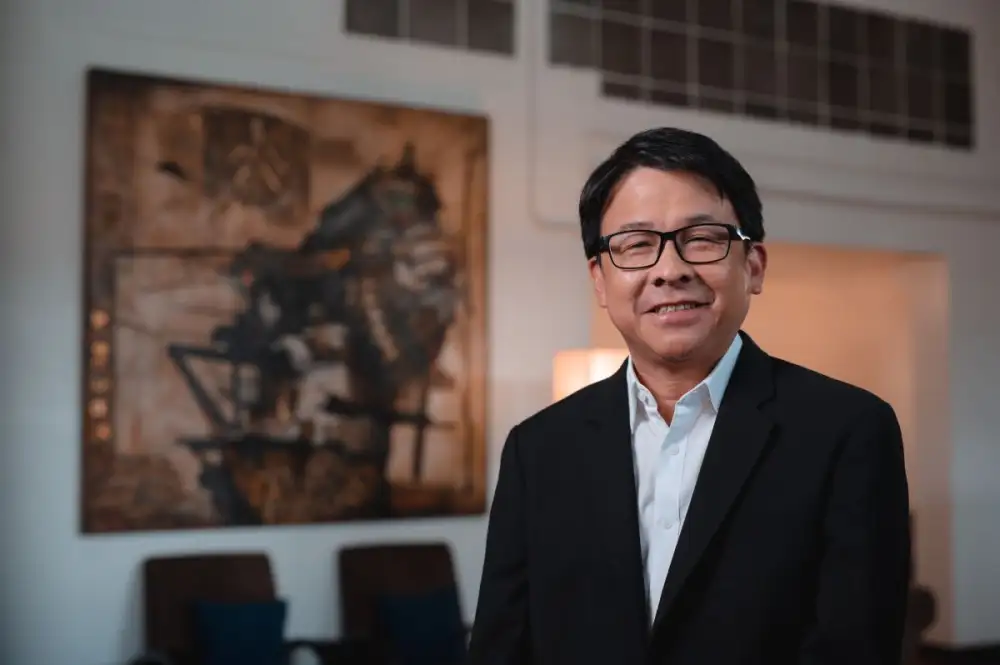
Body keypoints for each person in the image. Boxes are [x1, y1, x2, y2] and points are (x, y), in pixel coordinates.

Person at [466, 127, 911, 665]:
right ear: (600, 280)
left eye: (701, 238)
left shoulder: (848, 431)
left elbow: (855, 648)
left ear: (753, 266)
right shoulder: (538, 449)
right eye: (636, 244)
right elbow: (501, 648)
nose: (670, 270)